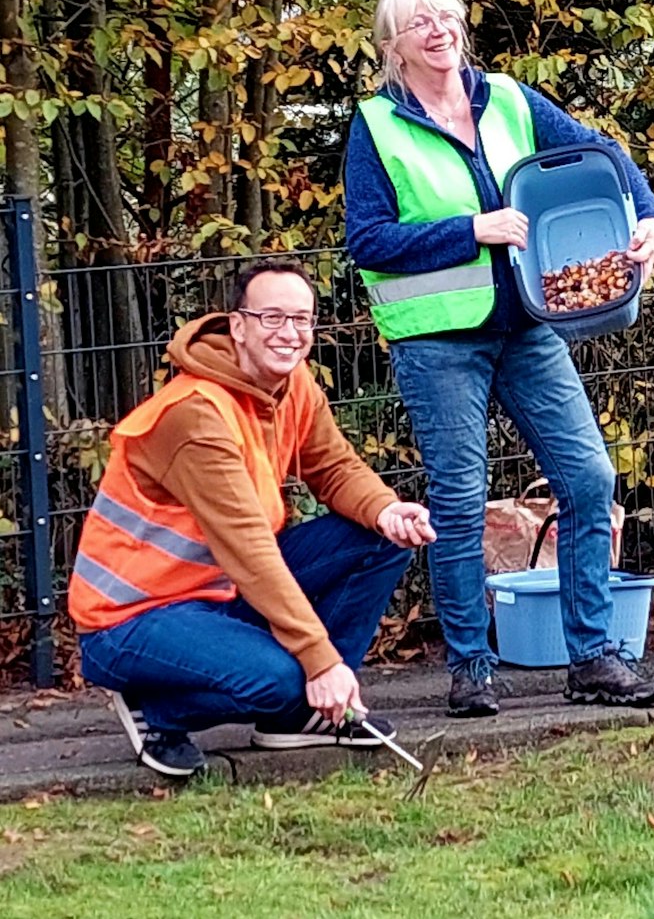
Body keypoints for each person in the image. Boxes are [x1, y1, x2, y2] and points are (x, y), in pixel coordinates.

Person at [344, 0, 654, 717]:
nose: (437, 30)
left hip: (527, 327)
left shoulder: (512, 100)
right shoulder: (377, 125)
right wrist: (472, 231)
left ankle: (593, 656)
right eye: (418, 23)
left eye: (445, 16)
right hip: (436, 342)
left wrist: (646, 215)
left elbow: (602, 153)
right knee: (459, 502)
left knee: (589, 479)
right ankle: (471, 669)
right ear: (393, 45)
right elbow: (368, 239)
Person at [71, 260, 437, 777]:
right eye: (272, 318)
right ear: (238, 326)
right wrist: (319, 658)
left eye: (301, 319)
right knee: (282, 679)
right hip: (133, 618)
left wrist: (387, 510)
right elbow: (249, 551)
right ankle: (156, 709)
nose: (289, 333)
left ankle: (305, 713)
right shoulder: (194, 415)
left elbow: (333, 467)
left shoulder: (292, 383)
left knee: (382, 538)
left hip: (219, 591)